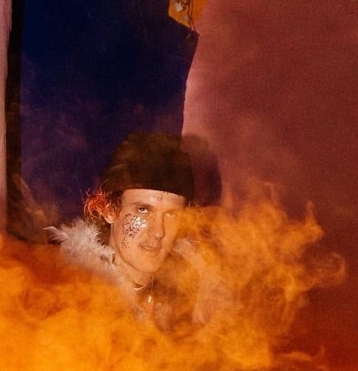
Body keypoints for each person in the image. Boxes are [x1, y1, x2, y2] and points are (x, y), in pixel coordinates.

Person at [48, 131, 231, 332]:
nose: (158, 232)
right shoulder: (69, 293)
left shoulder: (190, 293)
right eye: (143, 210)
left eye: (171, 214)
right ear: (109, 209)